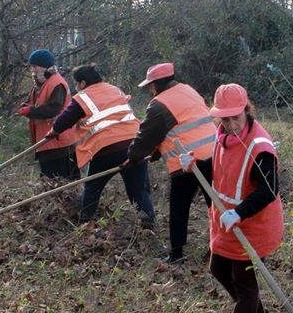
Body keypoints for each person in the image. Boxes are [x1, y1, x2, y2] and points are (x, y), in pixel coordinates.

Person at [196, 83, 283, 313]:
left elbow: (269, 190)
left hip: (253, 224)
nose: (231, 123)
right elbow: (220, 167)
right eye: (225, 118)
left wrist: (240, 212)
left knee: (244, 282)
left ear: (247, 111)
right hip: (227, 225)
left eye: (236, 117)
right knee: (218, 268)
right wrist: (194, 166)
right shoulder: (221, 136)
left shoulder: (260, 147)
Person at [45, 64, 156, 228]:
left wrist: (54, 131)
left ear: (82, 83)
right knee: (139, 189)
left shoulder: (83, 97)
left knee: (92, 188)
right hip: (135, 144)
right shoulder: (114, 89)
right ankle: (148, 226)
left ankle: (85, 223)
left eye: (76, 84)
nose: (76, 87)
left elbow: (65, 118)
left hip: (106, 148)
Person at [127, 62, 216, 264]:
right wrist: (157, 153)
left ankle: (176, 256)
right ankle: (220, 248)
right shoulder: (189, 90)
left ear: (158, 83)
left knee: (178, 208)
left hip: (188, 161)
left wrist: (132, 157)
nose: (150, 90)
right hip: (213, 155)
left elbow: (146, 137)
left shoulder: (159, 104)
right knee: (216, 206)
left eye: (151, 85)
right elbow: (179, 125)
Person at [17, 49, 78, 179]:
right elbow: (35, 102)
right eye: (31, 67)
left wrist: (31, 111)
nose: (32, 70)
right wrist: (27, 106)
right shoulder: (40, 84)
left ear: (44, 66)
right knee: (50, 182)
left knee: (61, 183)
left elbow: (53, 109)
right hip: (47, 142)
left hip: (59, 142)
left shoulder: (57, 83)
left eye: (35, 66)